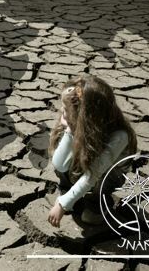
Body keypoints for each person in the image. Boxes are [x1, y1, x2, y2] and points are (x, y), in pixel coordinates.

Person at [47, 75, 138, 227]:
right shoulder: (78, 124)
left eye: (67, 109)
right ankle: (67, 189)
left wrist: (62, 205)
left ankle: (98, 204)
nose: (62, 111)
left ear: (86, 117)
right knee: (65, 156)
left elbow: (93, 173)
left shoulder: (119, 136)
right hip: (86, 163)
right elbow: (59, 163)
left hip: (107, 174)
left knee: (102, 180)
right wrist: (70, 129)